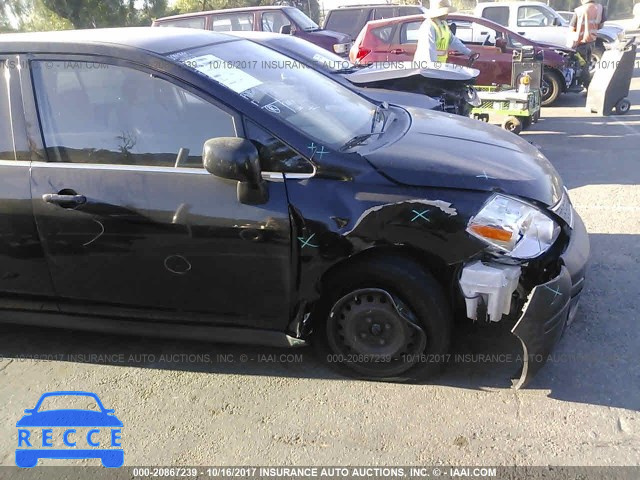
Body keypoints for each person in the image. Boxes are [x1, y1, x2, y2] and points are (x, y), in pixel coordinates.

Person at [413, 0, 476, 65]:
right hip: (426, 67)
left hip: (438, 66)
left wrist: (469, 52)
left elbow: (453, 41)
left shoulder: (443, 24)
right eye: (446, 11)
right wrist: (434, 67)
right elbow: (429, 51)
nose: (447, 14)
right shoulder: (429, 26)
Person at [570, 0, 606, 85]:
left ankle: (587, 86)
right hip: (591, 41)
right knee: (586, 64)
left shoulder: (579, 10)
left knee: (582, 66)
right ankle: (586, 85)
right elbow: (600, 26)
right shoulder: (600, 8)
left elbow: (572, 28)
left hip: (580, 43)